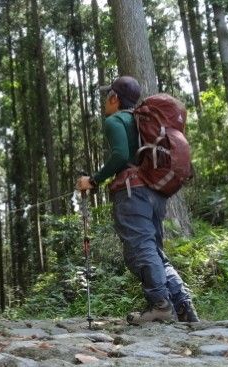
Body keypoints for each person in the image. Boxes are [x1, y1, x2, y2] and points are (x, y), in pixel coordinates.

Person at [75, 75, 199, 323]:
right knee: (154, 250)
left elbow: (120, 154)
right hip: (154, 192)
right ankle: (182, 306)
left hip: (132, 193)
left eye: (106, 97)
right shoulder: (144, 122)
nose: (104, 102)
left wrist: (94, 180)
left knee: (140, 250)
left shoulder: (115, 121)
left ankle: (161, 305)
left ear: (114, 99)